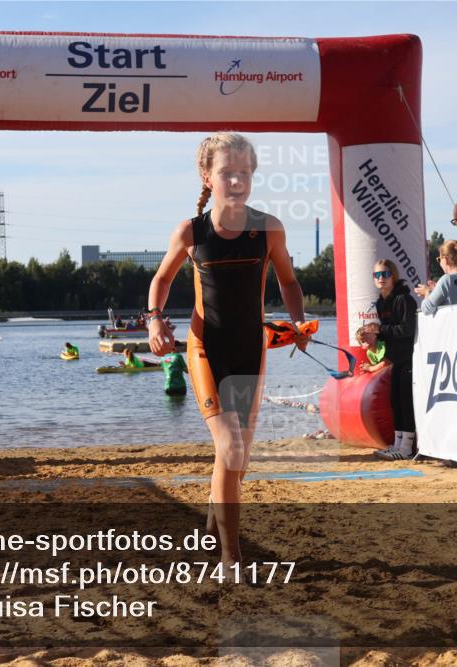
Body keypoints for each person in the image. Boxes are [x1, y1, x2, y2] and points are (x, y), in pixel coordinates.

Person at [147, 132, 308, 564]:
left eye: (244, 173)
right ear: (207, 175)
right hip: (205, 348)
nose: (236, 181)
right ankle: (230, 557)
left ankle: (215, 515)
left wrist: (297, 323)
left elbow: (289, 282)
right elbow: (160, 281)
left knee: (236, 456)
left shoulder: (269, 228)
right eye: (226, 173)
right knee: (232, 448)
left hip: (249, 349)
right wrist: (154, 320)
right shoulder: (190, 232)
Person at [368, 258, 418, 461]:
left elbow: (407, 330)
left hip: (409, 356)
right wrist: (372, 336)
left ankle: (406, 448)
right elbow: (388, 332)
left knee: (406, 402)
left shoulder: (404, 299)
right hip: (395, 358)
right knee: (395, 401)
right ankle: (397, 445)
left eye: (385, 274)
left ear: (393, 276)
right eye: (377, 275)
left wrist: (380, 330)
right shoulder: (381, 301)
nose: (381, 278)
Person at [415, 240, 457, 315]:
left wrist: (427, 292)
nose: (439, 262)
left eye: (439, 259)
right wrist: (436, 288)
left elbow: (426, 309)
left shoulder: (447, 280)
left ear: (445, 260)